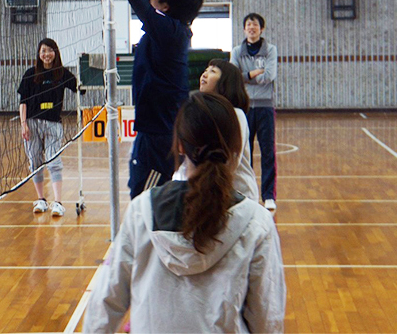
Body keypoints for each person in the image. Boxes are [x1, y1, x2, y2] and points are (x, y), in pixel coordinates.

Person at [83, 93, 286, 333]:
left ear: (180, 145)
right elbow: (267, 319)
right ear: (235, 147)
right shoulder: (257, 223)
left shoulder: (141, 210)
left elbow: (103, 306)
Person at [112, 0, 204, 198]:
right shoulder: (172, 25)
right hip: (154, 130)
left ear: (164, 7)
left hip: (161, 135)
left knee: (146, 198)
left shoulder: (169, 33)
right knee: (141, 192)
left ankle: (158, 228)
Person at [173, 59, 258, 202]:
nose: (204, 74)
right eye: (205, 70)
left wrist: (206, 182)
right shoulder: (200, 111)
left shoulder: (236, 115)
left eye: (212, 71)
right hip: (208, 190)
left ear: (225, 82)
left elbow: (231, 161)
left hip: (238, 195)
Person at [17, 38, 78, 217]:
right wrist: (23, 124)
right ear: (39, 54)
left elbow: (79, 87)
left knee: (54, 162)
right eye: (43, 51)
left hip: (53, 125)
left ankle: (57, 202)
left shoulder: (62, 73)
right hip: (32, 124)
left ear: (55, 53)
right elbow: (23, 102)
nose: (46, 54)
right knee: (35, 162)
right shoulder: (30, 74)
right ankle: (41, 199)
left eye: (50, 50)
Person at [230, 13, 278, 211]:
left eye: (255, 25)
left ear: (261, 29)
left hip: (265, 106)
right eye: (248, 25)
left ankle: (268, 195)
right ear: (244, 29)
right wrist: (252, 73)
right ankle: (246, 193)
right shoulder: (237, 51)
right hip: (245, 107)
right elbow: (233, 77)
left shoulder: (270, 50)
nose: (251, 28)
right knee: (243, 152)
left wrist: (246, 77)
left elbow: (269, 75)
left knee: (268, 152)